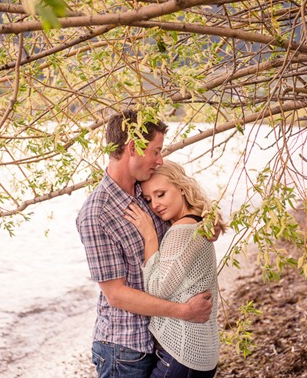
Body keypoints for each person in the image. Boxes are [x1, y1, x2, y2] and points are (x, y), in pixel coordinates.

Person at [76, 110, 214, 378]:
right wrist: (184, 312)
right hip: (124, 349)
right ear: (133, 147)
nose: (160, 160)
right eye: (155, 151)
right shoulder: (97, 214)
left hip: (162, 339)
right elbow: (116, 295)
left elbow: (184, 214)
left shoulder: (148, 191)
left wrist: (206, 224)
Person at [124, 161, 226, 378]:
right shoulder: (199, 223)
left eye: (161, 194)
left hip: (182, 353)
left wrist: (149, 235)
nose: (155, 205)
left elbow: (157, 290)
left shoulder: (180, 231)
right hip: (199, 353)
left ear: (181, 187)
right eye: (149, 199)